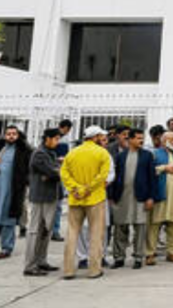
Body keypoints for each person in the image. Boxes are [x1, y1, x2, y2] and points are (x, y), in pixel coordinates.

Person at [60, 126, 112, 280]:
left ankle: (68, 270)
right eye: (100, 136)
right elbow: (103, 176)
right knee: (96, 233)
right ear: (95, 137)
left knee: (72, 233)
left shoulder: (72, 153)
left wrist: (75, 188)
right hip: (95, 198)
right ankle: (94, 269)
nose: (102, 139)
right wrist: (87, 188)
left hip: (75, 198)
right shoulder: (102, 153)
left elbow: (64, 173)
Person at [110, 128, 155, 269]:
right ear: (129, 139)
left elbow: (152, 178)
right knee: (120, 228)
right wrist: (111, 196)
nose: (141, 140)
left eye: (142, 138)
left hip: (140, 197)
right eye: (138, 138)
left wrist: (150, 197)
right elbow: (114, 176)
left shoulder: (147, 156)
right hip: (122, 197)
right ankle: (119, 257)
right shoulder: (120, 156)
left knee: (140, 227)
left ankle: (138, 257)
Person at [0, 125, 30, 259]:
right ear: (4, 135)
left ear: (18, 135)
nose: (11, 136)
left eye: (14, 134)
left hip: (13, 190)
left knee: (8, 219)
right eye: (8, 134)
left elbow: (28, 169)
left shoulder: (24, 150)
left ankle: (6, 248)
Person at [23, 128, 63, 276]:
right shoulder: (39, 154)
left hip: (50, 196)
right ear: (47, 139)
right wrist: (56, 171)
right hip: (40, 197)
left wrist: (55, 170)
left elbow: (53, 172)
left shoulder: (50, 154)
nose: (57, 142)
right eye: (56, 139)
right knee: (35, 231)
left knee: (46, 231)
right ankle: (30, 265)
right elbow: (53, 172)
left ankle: (41, 261)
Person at [147, 131, 173, 265]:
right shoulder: (154, 154)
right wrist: (164, 168)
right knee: (154, 225)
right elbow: (149, 170)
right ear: (164, 141)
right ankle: (149, 253)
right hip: (160, 195)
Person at [51, 119, 74, 242]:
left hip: (54, 173)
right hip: (59, 172)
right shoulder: (62, 139)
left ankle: (50, 230)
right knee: (57, 205)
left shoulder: (52, 137)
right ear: (66, 128)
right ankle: (54, 230)